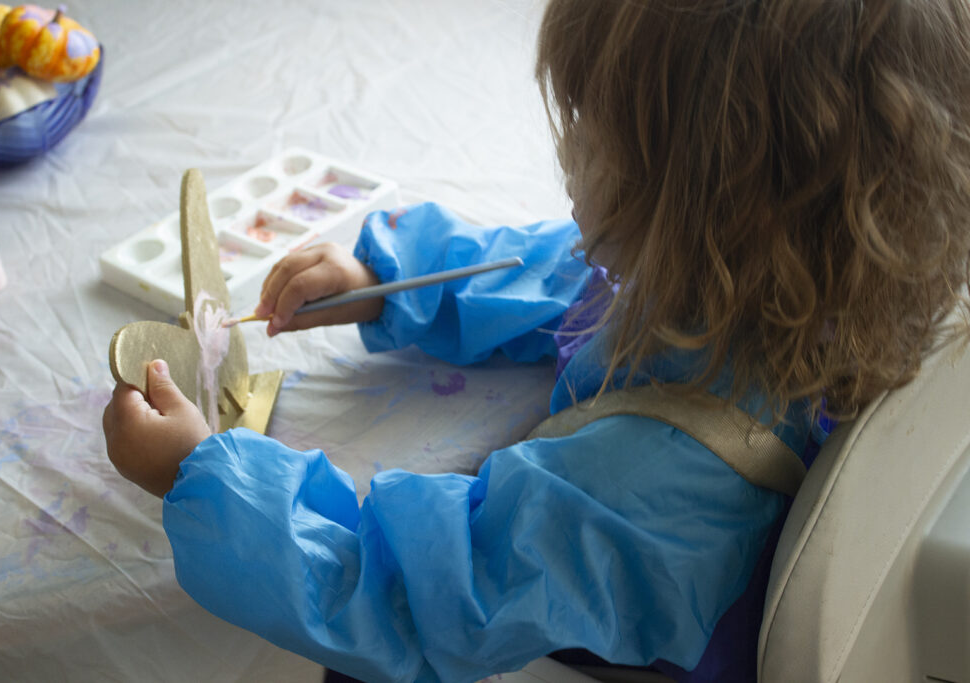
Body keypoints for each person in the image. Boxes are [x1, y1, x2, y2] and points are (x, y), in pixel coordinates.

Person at [102, 0, 970, 681]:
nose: (567, 144)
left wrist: (201, 478)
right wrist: (394, 282)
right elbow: (579, 275)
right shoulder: (808, 285)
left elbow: (397, 598)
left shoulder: (639, 486)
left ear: (694, 217)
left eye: (591, 125)